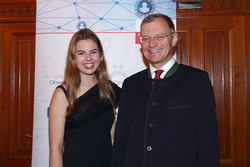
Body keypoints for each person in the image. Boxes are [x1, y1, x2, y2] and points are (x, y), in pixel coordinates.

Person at [111, 13, 219, 167]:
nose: (152, 44)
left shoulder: (196, 81)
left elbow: (208, 143)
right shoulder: (131, 85)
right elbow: (121, 142)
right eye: (146, 38)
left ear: (174, 38)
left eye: (159, 37)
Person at [49, 28, 120, 167]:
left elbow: (111, 136)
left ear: (100, 55)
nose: (88, 58)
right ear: (73, 57)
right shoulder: (62, 94)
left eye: (93, 52)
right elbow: (55, 148)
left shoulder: (109, 90)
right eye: (81, 53)